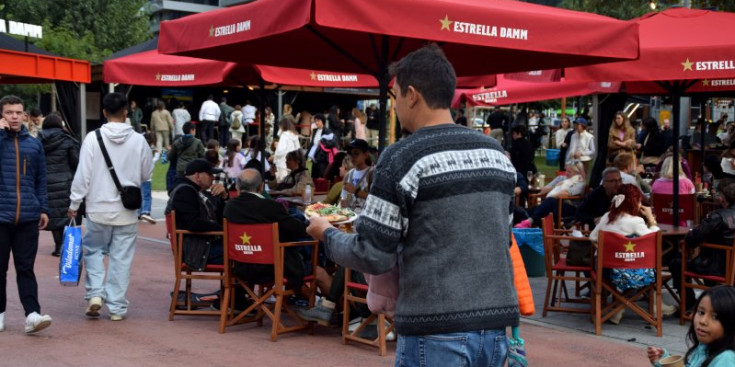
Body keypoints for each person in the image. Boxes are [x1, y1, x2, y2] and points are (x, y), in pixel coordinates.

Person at [305, 45, 518, 366]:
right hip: (496, 329)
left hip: (435, 327)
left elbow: (372, 255)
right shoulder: (497, 155)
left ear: (412, 95)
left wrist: (327, 234)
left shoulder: (402, 156)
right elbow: (502, 238)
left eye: (395, 97)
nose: (394, 106)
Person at [68, 92, 152, 321]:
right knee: (121, 258)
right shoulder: (139, 140)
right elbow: (146, 174)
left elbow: (82, 174)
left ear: (104, 112)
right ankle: (116, 306)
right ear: (126, 111)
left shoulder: (93, 138)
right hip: (127, 210)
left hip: (97, 208)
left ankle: (95, 293)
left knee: (94, 251)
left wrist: (75, 202)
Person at [0, 95, 53, 333]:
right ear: (2, 115)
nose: (14, 117)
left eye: (18, 112)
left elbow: (41, 179)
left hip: (28, 216)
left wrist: (43, 208)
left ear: (25, 116)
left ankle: (32, 314)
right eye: (9, 112)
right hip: (1, 217)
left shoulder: (34, 144)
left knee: (25, 267)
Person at [589, 184, 675, 324]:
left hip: (604, 270)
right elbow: (655, 236)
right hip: (629, 272)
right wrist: (650, 218)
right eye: (639, 200)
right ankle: (651, 306)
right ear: (635, 202)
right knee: (644, 265)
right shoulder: (636, 222)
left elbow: (592, 237)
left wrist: (611, 250)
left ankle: (620, 308)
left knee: (635, 263)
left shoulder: (606, 217)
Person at [223, 169, 308, 300]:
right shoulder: (271, 207)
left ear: (237, 186)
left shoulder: (229, 207)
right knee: (313, 261)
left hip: (240, 266)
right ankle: (303, 298)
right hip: (273, 269)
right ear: (261, 186)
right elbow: (299, 230)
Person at [669, 179, 735, 313]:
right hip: (729, 266)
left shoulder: (718, 216)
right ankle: (715, 302)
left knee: (676, 263)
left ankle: (689, 305)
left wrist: (693, 232)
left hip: (714, 266)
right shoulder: (720, 215)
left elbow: (693, 239)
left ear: (723, 199)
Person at [647, 285, 735, 367]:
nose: (703, 321)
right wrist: (664, 360)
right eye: (701, 312)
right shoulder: (703, 347)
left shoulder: (726, 360)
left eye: (715, 317)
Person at [166, 159, 229, 267]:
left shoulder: (196, 191)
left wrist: (224, 197)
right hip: (197, 251)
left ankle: (232, 283)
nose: (213, 178)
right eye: (209, 174)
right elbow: (194, 223)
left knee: (241, 250)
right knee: (240, 254)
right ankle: (234, 283)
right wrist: (222, 229)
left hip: (201, 245)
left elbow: (219, 217)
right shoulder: (185, 192)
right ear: (197, 176)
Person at [38, 112, 80, 256]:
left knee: (54, 216)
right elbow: (76, 162)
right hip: (65, 183)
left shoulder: (39, 140)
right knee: (65, 215)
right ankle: (66, 247)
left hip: (46, 182)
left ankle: (58, 246)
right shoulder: (67, 140)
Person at [514, 163, 586, 228]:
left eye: (569, 172)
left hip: (570, 208)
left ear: (577, 173)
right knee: (532, 210)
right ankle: (522, 222)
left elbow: (565, 194)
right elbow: (543, 190)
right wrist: (555, 186)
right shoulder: (562, 179)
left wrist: (563, 186)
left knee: (550, 202)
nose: (566, 173)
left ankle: (529, 222)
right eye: (566, 171)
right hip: (554, 205)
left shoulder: (579, 183)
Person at [341, 139, 374, 213]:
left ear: (366, 155)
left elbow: (376, 199)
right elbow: (344, 195)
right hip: (349, 217)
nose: (352, 157)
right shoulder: (348, 174)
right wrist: (343, 200)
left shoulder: (372, 173)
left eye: (356, 153)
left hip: (365, 217)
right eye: (350, 153)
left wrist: (356, 191)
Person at [271, 116, 301, 182]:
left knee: (283, 182)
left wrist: (275, 155)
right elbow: (298, 148)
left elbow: (280, 151)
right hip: (292, 161)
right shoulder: (294, 134)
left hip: (282, 162)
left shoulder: (284, 136)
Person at [307, 113, 336, 179]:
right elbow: (312, 144)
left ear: (323, 121)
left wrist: (323, 143)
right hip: (314, 157)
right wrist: (306, 156)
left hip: (322, 157)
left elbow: (333, 143)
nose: (316, 122)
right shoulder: (314, 131)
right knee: (314, 176)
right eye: (315, 121)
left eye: (318, 121)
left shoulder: (328, 131)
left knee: (322, 176)